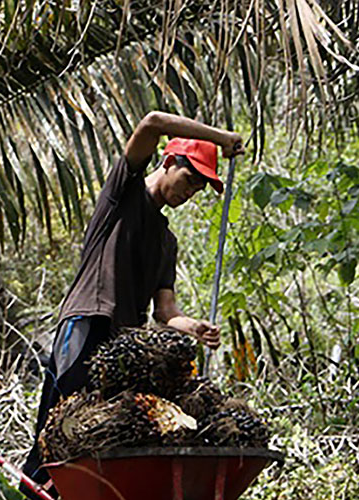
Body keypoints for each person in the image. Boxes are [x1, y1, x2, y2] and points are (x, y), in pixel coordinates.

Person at [20, 112, 244, 499]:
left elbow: (166, 312)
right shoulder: (123, 193)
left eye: (200, 188)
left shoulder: (166, 242)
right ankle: (30, 488)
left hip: (123, 349)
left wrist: (194, 327)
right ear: (169, 161)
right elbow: (153, 122)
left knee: (102, 442)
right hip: (87, 322)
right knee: (57, 434)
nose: (190, 192)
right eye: (190, 179)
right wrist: (221, 137)